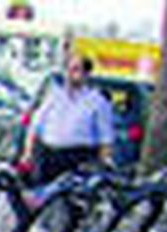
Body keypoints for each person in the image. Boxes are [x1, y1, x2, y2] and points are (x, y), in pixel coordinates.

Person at [20, 54, 114, 184]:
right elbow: (35, 126)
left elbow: (105, 137)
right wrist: (27, 153)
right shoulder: (54, 96)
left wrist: (103, 164)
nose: (69, 74)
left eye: (76, 70)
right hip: (50, 156)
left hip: (78, 158)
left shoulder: (97, 101)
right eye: (68, 69)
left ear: (86, 74)